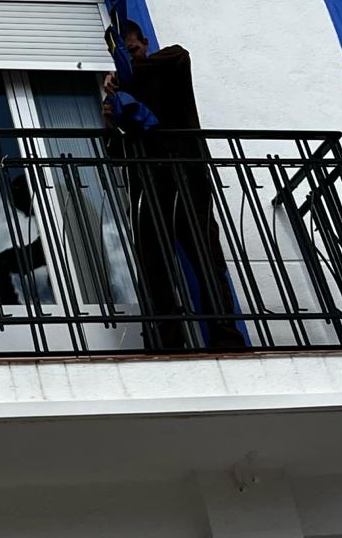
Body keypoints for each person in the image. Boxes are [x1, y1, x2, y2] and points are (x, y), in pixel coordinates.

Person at [103, 21, 247, 351]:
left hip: (187, 177)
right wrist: (111, 119)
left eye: (134, 49)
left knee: (205, 254)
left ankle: (225, 335)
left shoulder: (169, 64)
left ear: (145, 43)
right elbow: (116, 152)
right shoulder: (124, 91)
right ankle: (167, 338)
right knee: (153, 262)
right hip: (146, 184)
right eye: (125, 54)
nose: (132, 57)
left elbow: (180, 57)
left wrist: (128, 71)